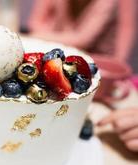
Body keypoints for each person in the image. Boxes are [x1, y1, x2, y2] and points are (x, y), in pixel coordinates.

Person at [28, 0, 138, 152]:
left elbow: (85, 38)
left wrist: (40, 35)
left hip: (101, 75)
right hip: (63, 68)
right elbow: (35, 21)